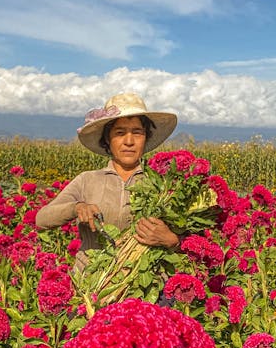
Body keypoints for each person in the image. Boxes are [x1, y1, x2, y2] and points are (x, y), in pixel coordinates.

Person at [35, 92, 180, 271]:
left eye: (137, 132)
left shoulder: (163, 185)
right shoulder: (87, 180)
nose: (129, 141)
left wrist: (171, 240)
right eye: (119, 133)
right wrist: (76, 207)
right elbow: (42, 219)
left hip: (144, 288)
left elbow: (187, 243)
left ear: (146, 137)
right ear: (107, 139)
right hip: (90, 285)